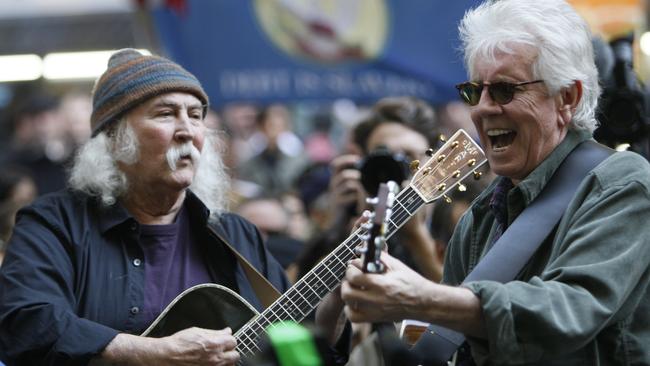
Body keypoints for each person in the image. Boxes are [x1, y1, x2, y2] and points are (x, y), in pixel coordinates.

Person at [341, 0, 650, 365]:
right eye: (474, 91)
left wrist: (419, 296)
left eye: (504, 90)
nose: (482, 108)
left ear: (568, 97)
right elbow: (458, 347)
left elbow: (570, 310)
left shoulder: (622, 183)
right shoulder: (481, 214)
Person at [0, 49, 347, 365]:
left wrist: (335, 306)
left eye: (195, 116)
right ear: (116, 139)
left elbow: (293, 346)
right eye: (166, 114)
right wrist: (155, 353)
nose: (187, 131)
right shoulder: (53, 224)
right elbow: (27, 323)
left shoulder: (235, 233)